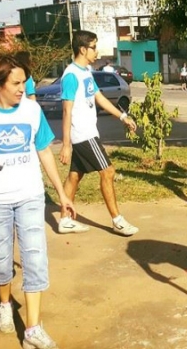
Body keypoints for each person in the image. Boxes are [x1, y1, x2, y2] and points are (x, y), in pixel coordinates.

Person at [0, 54, 77, 349]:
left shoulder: (32, 111)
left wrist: (61, 194)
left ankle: (33, 328)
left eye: (25, 82)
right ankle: (5, 304)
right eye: (16, 83)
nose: (23, 88)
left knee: (35, 258)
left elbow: (45, 152)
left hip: (30, 196)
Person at [58, 30, 139, 235]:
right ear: (83, 49)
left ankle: (65, 220)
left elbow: (100, 98)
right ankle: (117, 220)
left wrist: (123, 117)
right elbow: (66, 111)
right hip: (83, 135)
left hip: (88, 133)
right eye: (94, 47)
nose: (97, 51)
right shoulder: (71, 76)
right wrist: (66, 144)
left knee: (75, 176)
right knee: (108, 171)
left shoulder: (85, 72)